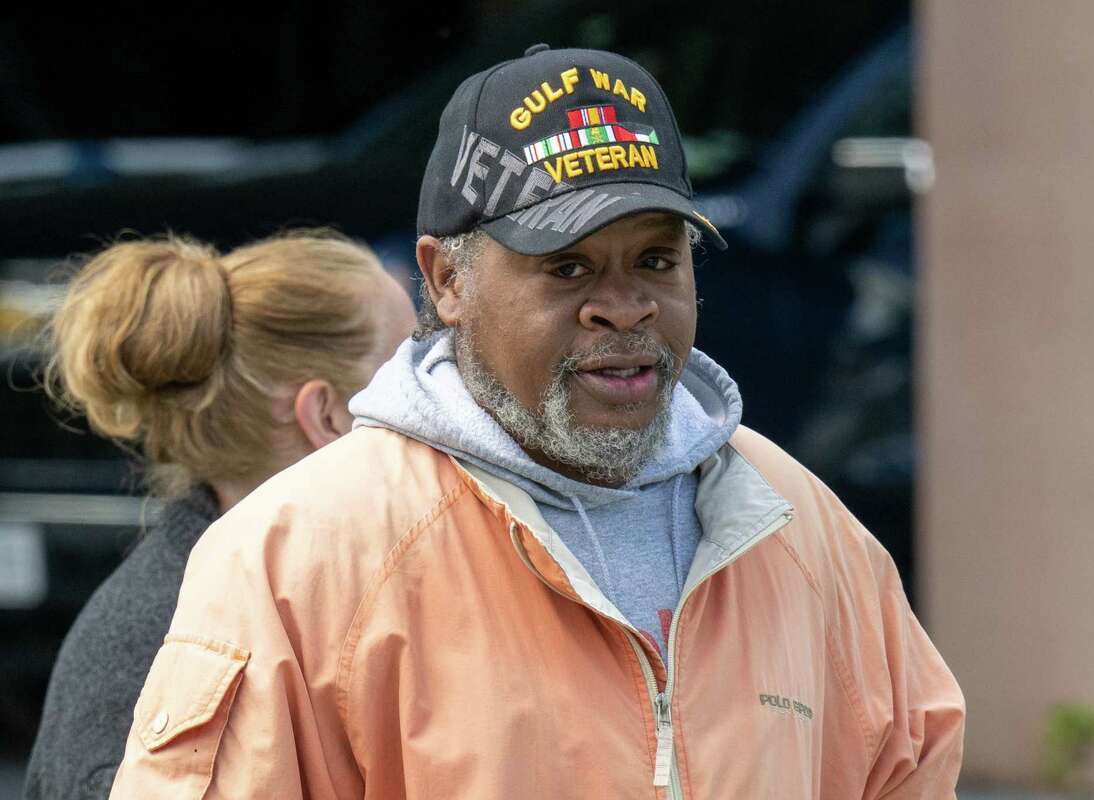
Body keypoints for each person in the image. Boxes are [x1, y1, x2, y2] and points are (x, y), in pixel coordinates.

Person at [110, 46, 964, 799]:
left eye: (658, 260)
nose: (624, 308)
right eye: (567, 267)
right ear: (445, 281)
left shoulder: (800, 528)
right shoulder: (300, 559)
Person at [22, 230, 415, 800]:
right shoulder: (160, 667)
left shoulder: (301, 601)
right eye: (407, 367)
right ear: (326, 415)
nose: (438, 395)